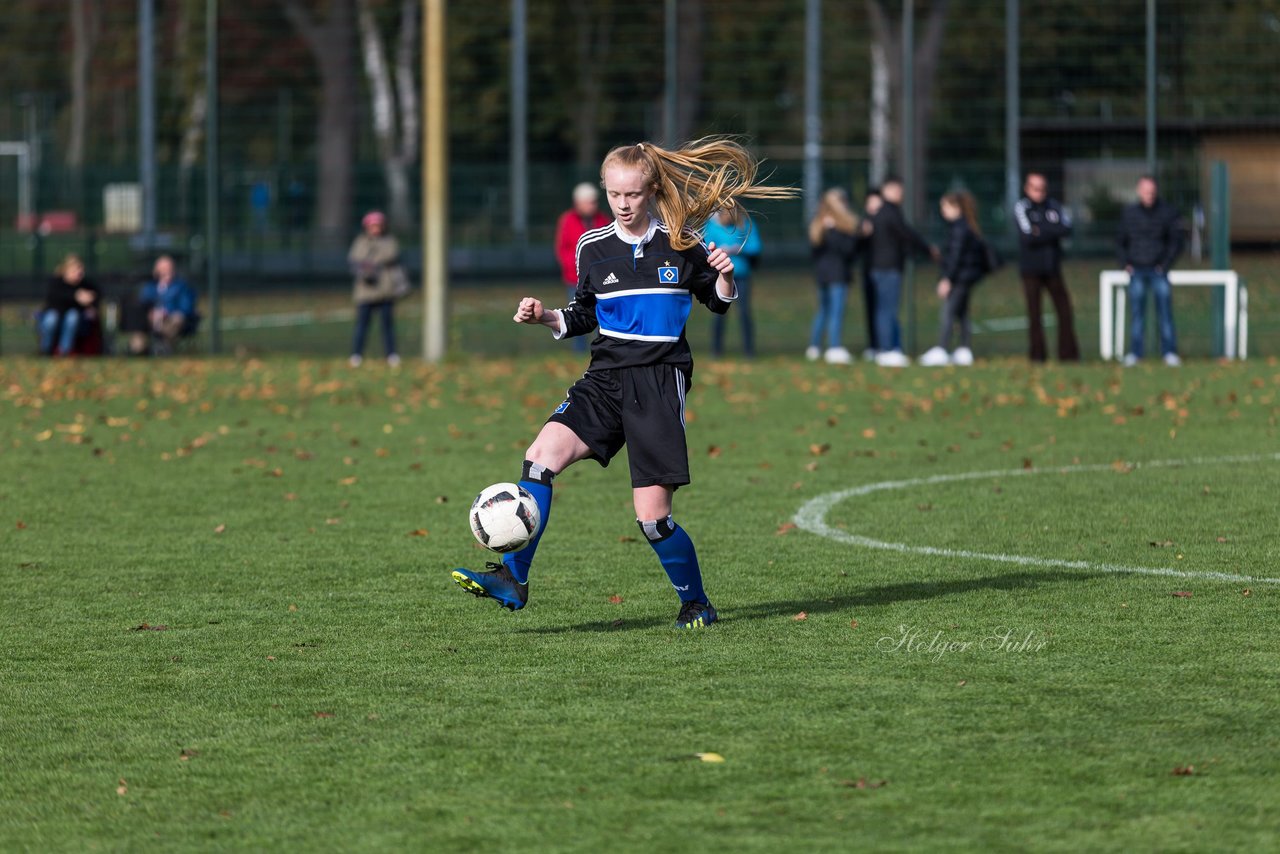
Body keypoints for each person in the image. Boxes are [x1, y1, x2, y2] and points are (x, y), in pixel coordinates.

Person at [451, 138, 794, 629]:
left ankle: (696, 602)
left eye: (632, 194)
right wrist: (545, 316)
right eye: (614, 194)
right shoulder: (592, 246)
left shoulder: (684, 243)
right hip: (605, 377)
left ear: (651, 190)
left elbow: (718, 303)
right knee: (540, 458)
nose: (623, 203)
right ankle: (513, 577)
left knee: (653, 520)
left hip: (658, 380)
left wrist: (724, 277)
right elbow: (583, 314)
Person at [866, 177, 937, 367]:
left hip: (880, 267)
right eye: (897, 189)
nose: (901, 193)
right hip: (888, 267)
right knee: (887, 310)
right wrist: (927, 249)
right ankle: (888, 349)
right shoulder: (890, 212)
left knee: (884, 310)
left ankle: (890, 348)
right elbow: (906, 233)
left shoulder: (880, 212)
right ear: (887, 190)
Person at [1118, 175, 1184, 367]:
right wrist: (1125, 263)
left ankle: (1169, 352)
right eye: (1146, 191)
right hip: (1136, 269)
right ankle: (1135, 353)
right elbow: (1119, 241)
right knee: (1137, 314)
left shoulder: (1167, 212)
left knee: (1165, 313)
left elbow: (1176, 242)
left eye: (1152, 191)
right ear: (1139, 191)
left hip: (1158, 270)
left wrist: (1165, 264)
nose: (1149, 195)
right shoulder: (1129, 213)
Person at [1014, 173, 1080, 362]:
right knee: (1035, 314)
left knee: (1065, 310)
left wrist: (1040, 230)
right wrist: (1051, 230)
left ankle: (1068, 356)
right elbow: (1027, 236)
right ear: (1027, 189)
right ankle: (1037, 356)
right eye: (1035, 188)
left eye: (1042, 188)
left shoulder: (1054, 205)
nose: (1039, 192)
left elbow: (1067, 229)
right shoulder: (1022, 207)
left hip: (1052, 267)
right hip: (1031, 269)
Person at [920, 192, 989, 367]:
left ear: (956, 208)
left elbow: (956, 257)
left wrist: (947, 279)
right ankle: (964, 350)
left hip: (959, 277)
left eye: (945, 206)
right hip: (966, 276)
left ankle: (942, 349)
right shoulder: (966, 227)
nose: (942, 210)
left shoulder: (959, 228)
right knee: (963, 313)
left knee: (948, 312)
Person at [554, 183, 612, 353]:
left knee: (602, 314)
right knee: (578, 313)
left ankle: (602, 348)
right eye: (589, 202)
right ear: (578, 203)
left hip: (602, 277)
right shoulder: (567, 221)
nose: (593, 205)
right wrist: (575, 268)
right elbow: (563, 248)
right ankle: (579, 350)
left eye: (594, 201)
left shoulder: (603, 220)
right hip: (576, 279)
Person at [805, 188, 860, 364]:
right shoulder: (830, 226)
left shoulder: (822, 224)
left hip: (826, 274)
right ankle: (833, 347)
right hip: (835, 275)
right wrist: (834, 231)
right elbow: (846, 250)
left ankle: (815, 347)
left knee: (825, 310)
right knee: (833, 311)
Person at [347, 210, 404, 367]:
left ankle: (391, 355)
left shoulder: (389, 241)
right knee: (362, 325)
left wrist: (372, 261)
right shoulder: (361, 242)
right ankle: (356, 355)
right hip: (366, 291)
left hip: (386, 290)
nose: (375, 229)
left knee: (387, 325)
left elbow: (391, 254)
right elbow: (355, 259)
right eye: (372, 226)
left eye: (378, 225)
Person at [703, 207, 761, 358]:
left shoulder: (745, 224)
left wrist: (739, 249)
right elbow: (705, 246)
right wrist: (718, 250)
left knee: (744, 313)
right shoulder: (712, 226)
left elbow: (755, 246)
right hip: (720, 276)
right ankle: (716, 350)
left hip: (741, 274)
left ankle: (749, 351)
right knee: (719, 313)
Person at [129, 255, 197, 356]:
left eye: (169, 268)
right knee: (139, 328)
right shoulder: (150, 287)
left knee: (176, 320)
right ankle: (139, 351)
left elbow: (186, 307)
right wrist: (151, 313)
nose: (166, 272)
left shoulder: (182, 287)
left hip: (171, 320)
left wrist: (166, 313)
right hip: (151, 320)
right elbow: (143, 304)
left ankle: (164, 349)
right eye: (163, 269)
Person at [38, 254, 99, 356]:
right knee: (52, 318)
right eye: (76, 270)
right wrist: (76, 297)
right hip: (55, 317)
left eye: (81, 270)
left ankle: (64, 351)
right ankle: (45, 350)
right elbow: (54, 300)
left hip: (77, 322)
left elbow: (96, 296)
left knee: (72, 316)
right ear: (66, 271)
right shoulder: (56, 283)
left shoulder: (85, 285)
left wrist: (90, 302)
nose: (79, 273)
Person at [858, 188, 883, 360]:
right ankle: (873, 345)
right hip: (868, 272)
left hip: (885, 272)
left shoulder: (887, 221)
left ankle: (887, 344)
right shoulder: (863, 223)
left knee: (885, 310)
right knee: (871, 310)